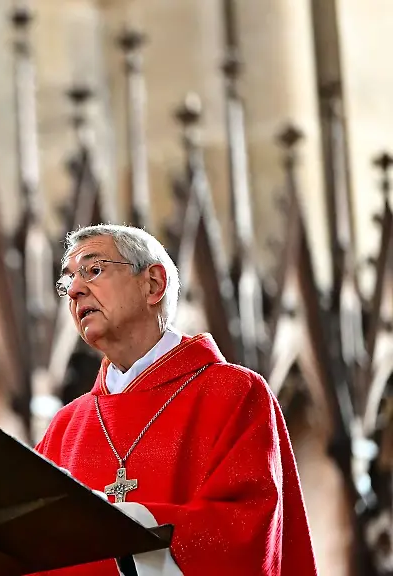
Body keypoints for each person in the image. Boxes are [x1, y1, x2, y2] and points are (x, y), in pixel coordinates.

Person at [31, 224, 317, 576]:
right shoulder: (66, 426)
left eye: (94, 270)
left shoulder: (234, 394)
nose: (74, 290)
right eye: (67, 281)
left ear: (153, 284)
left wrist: (124, 527)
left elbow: (245, 534)